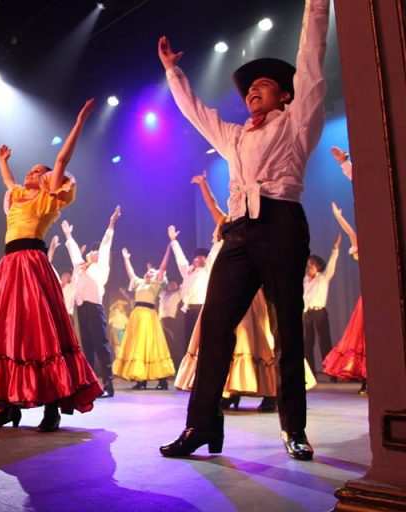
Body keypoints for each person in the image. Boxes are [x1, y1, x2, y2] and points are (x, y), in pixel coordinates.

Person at [157, 0, 330, 461]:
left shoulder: (297, 122)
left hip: (281, 225)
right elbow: (196, 113)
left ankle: (294, 428)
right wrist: (173, 72)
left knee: (287, 329)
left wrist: (317, 7)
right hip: (237, 234)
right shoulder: (235, 136)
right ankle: (201, 426)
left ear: (286, 96)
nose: (253, 88)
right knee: (214, 327)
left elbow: (312, 64)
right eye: (250, 86)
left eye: (264, 84)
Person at [0, 99, 102, 432]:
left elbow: (61, 160)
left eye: (37, 171)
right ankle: (8, 407)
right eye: (29, 170)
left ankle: (51, 407)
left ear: (47, 178)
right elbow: (8, 182)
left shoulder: (48, 198)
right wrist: (1, 161)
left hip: (32, 264)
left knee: (40, 333)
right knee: (5, 333)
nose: (29, 173)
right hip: (9, 266)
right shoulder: (18, 196)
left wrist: (79, 120)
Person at [62, 206, 121, 398]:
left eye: (96, 252)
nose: (94, 252)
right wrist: (68, 235)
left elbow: (106, 244)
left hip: (95, 308)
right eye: (92, 251)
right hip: (82, 308)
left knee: (101, 345)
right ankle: (88, 382)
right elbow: (74, 253)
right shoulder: (80, 267)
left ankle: (108, 383)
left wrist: (111, 223)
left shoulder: (102, 267)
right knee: (87, 346)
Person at [323, 151, 366, 394]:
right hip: (369, 298)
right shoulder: (365, 246)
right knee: (363, 338)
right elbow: (352, 233)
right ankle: (368, 379)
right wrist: (339, 217)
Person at [113, 244, 175, 390]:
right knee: (138, 346)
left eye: (152, 272)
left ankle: (162, 380)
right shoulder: (139, 283)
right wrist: (126, 258)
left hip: (148, 317)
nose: (149, 273)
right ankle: (141, 379)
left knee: (152, 346)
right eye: (148, 271)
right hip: (137, 316)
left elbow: (162, 268)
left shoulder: (154, 285)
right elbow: (130, 272)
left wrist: (169, 248)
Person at [303, 235, 341, 373]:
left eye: (312, 264)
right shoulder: (305, 280)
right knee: (307, 344)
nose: (310, 266)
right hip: (307, 314)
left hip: (319, 313)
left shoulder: (323, 277)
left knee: (324, 342)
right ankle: (310, 374)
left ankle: (331, 372)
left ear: (318, 266)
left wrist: (335, 249)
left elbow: (331, 265)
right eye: (308, 264)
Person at [168, 226, 208, 346]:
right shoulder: (187, 271)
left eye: (200, 257)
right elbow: (180, 259)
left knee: (202, 340)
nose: (196, 259)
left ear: (206, 259)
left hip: (201, 309)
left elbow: (214, 254)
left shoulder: (207, 271)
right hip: (188, 310)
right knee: (190, 340)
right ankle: (190, 358)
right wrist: (173, 241)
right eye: (195, 257)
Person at [158, 280, 184, 368]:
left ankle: (176, 364)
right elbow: (157, 285)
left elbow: (184, 285)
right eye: (171, 283)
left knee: (172, 342)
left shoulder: (177, 294)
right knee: (161, 343)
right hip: (160, 320)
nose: (172, 285)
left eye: (175, 284)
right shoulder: (163, 293)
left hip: (170, 321)